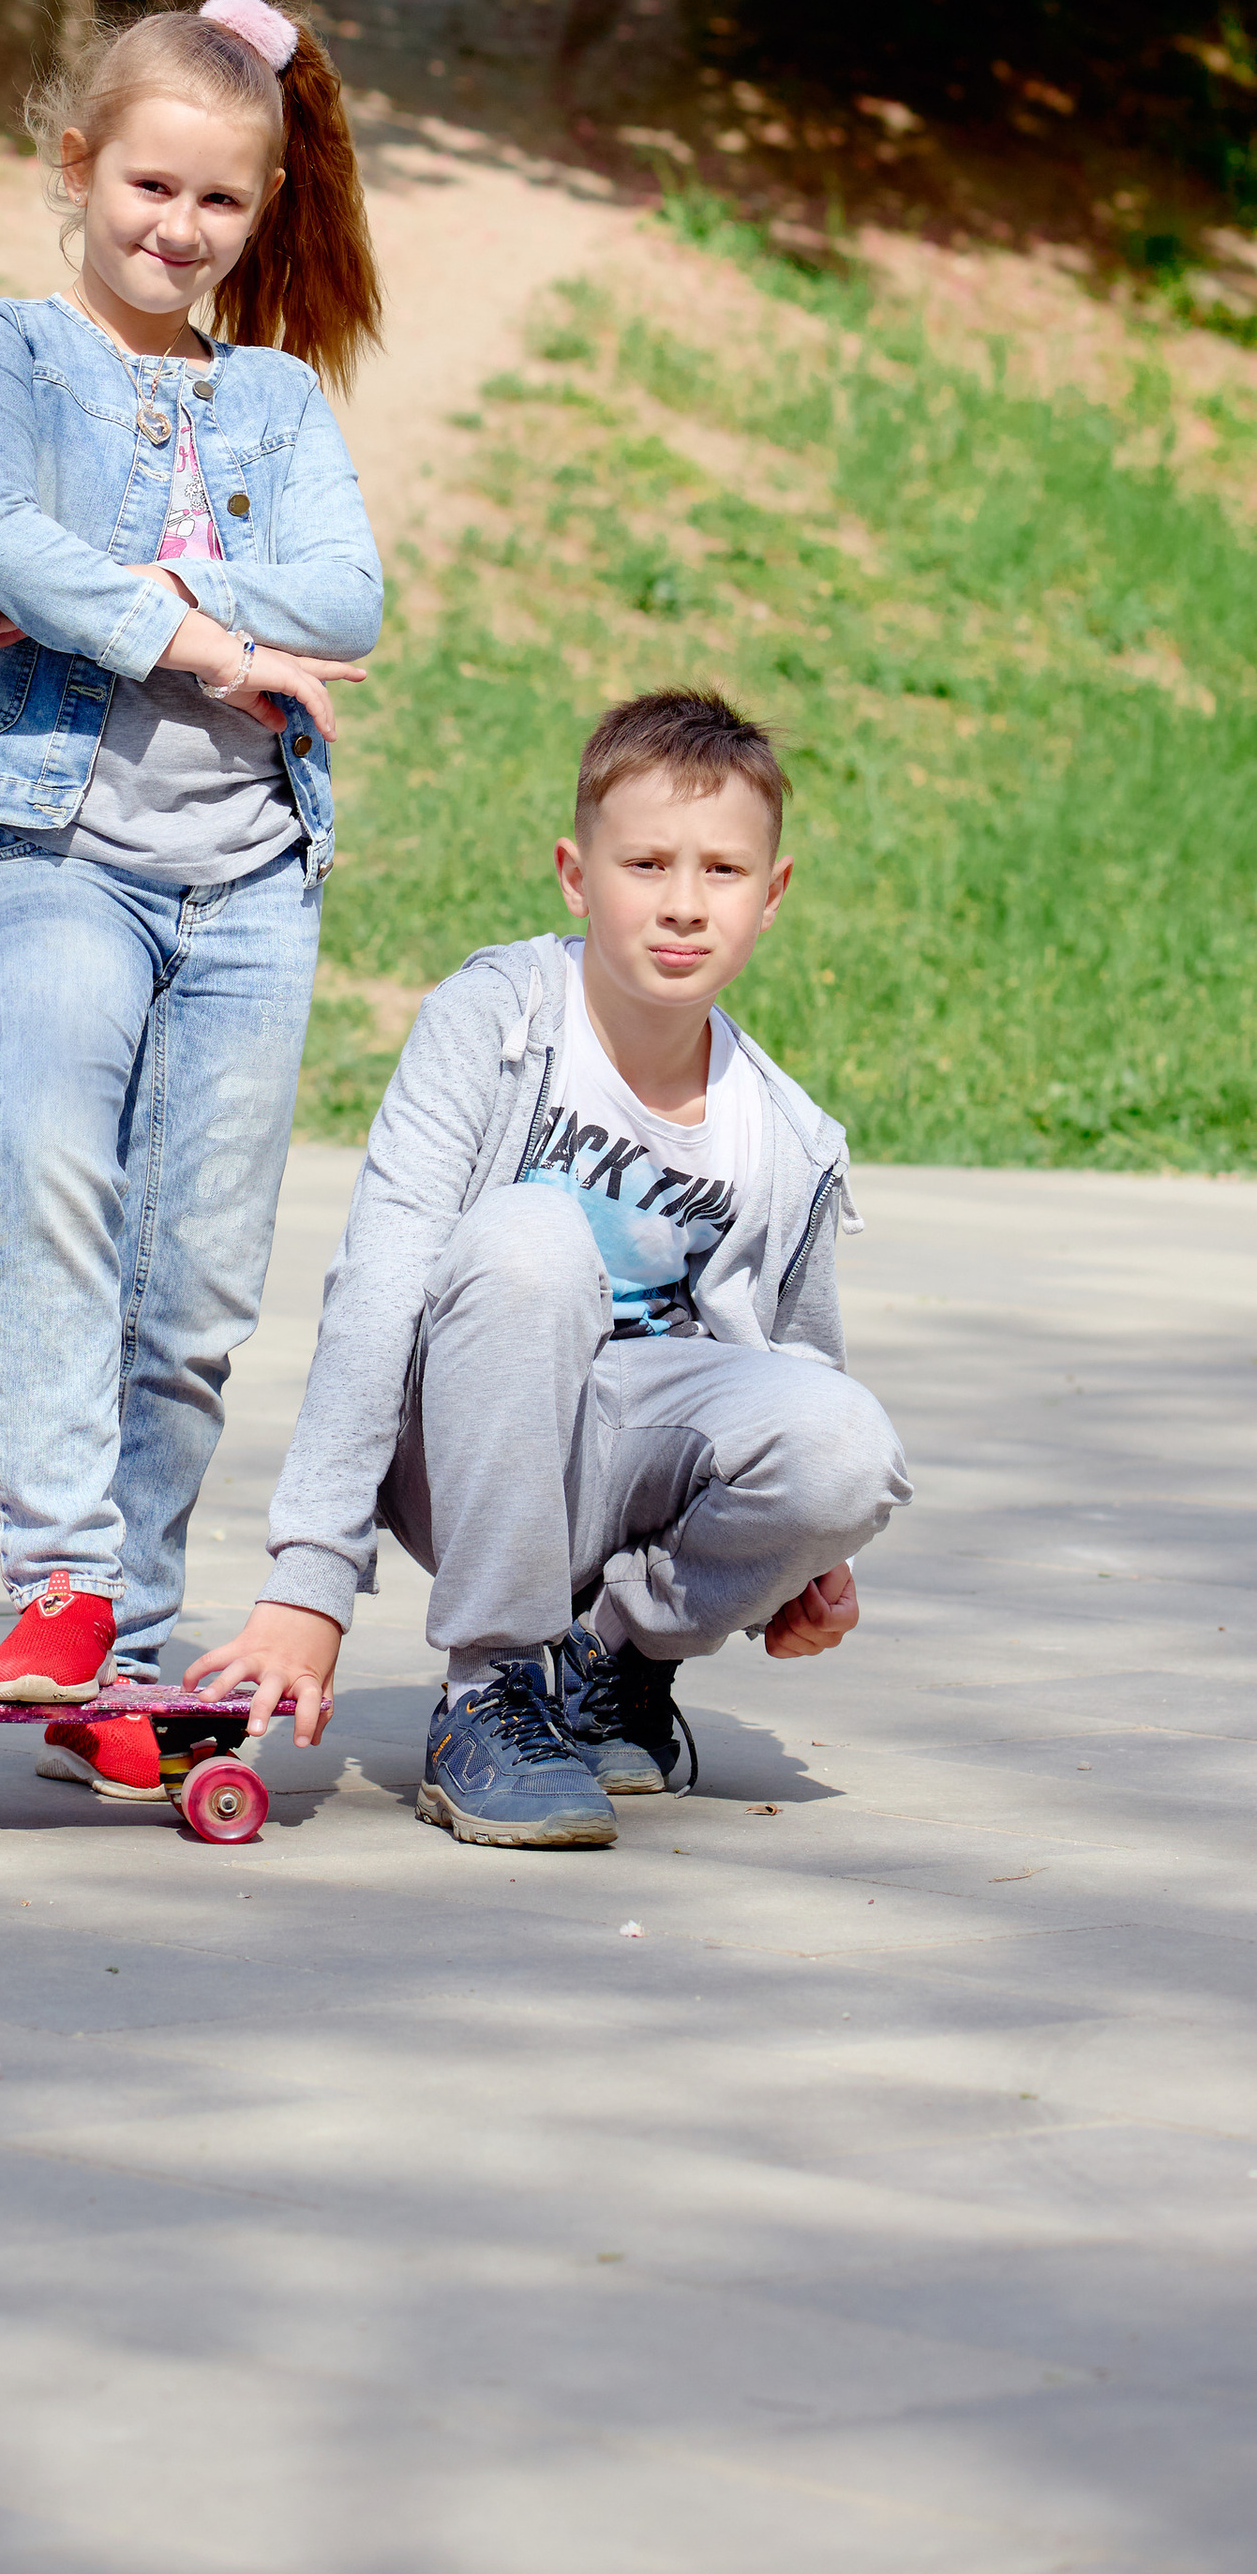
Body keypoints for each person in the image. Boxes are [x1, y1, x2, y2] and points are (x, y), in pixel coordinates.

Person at [0, 0, 385, 1809]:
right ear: (78, 166)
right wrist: (196, 631)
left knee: (199, 1285)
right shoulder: (3, 354)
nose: (177, 231)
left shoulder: (274, 395)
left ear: (261, 211)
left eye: (219, 206)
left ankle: (134, 1654)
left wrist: (130, 588)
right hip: (61, 849)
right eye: (147, 186)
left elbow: (350, 598)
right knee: (53, 1181)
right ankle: (64, 1585)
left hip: (253, 874)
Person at [192, 687, 912, 1847]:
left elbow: (797, 1369)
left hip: (632, 1474)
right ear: (578, 878)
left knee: (848, 1440)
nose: (683, 906)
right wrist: (309, 1578)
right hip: (468, 1446)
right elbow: (378, 1280)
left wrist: (800, 1559)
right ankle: (490, 1688)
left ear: (770, 898)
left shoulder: (785, 1137)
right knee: (530, 1235)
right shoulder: (496, 1019)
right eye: (646, 865)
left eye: (722, 872)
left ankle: (610, 1663)